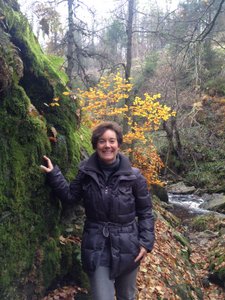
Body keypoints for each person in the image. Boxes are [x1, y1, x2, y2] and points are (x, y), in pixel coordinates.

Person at [40, 121, 155, 300]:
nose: (107, 145)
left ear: (118, 144)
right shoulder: (85, 172)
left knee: (127, 296)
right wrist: (54, 173)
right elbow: (71, 197)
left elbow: (146, 211)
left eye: (112, 141)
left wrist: (146, 243)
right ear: (95, 144)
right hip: (97, 245)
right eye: (102, 141)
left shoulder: (134, 176)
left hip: (128, 246)